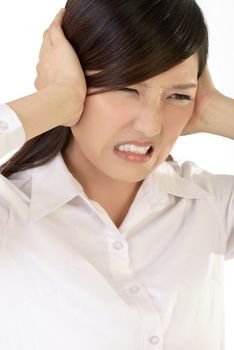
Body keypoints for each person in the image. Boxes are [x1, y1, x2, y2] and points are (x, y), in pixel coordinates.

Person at [0, 1, 233, 349]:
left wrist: (218, 110)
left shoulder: (213, 206)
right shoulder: (13, 215)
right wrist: (55, 100)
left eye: (179, 96)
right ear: (74, 81)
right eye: (126, 89)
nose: (151, 125)